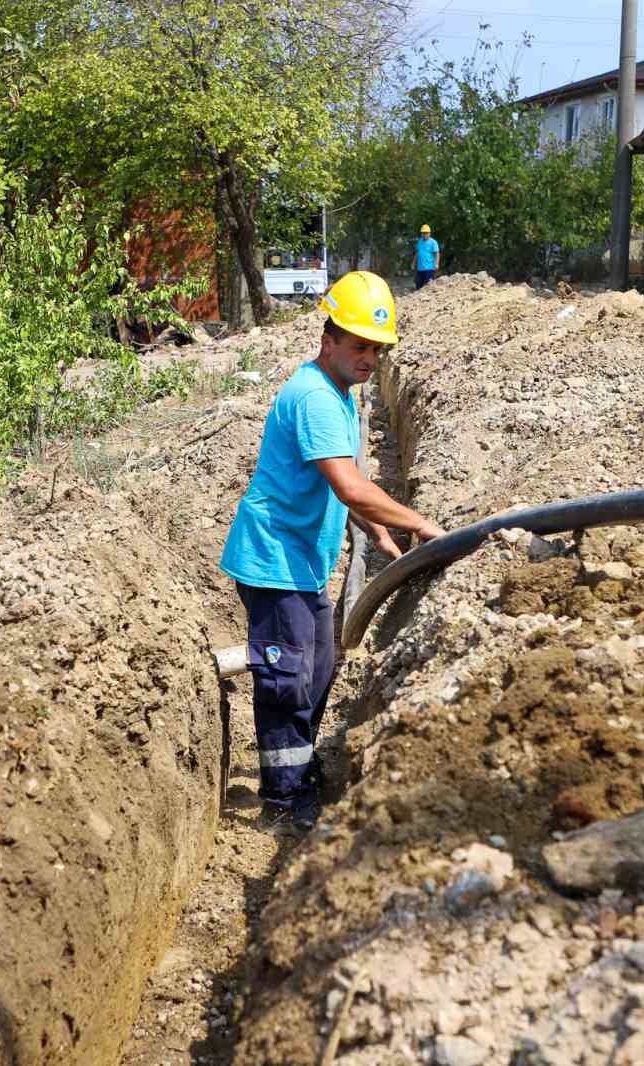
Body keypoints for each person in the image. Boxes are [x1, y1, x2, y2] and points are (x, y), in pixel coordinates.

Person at [220, 270, 446, 831]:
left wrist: (373, 531)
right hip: (274, 561)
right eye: (359, 345)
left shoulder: (341, 394)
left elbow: (335, 483)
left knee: (319, 669)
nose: (370, 358)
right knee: (287, 679)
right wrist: (416, 522)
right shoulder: (316, 399)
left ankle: (299, 770)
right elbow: (349, 486)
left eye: (377, 349)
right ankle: (281, 799)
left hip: (303, 562)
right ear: (329, 340)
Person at [414, 224, 441, 290]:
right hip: (420, 268)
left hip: (429, 268)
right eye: (423, 233)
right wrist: (413, 263)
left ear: (429, 233)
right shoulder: (419, 242)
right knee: (418, 286)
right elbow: (417, 253)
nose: (424, 234)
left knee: (427, 287)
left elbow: (437, 254)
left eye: (426, 233)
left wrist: (437, 263)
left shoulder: (433, 242)